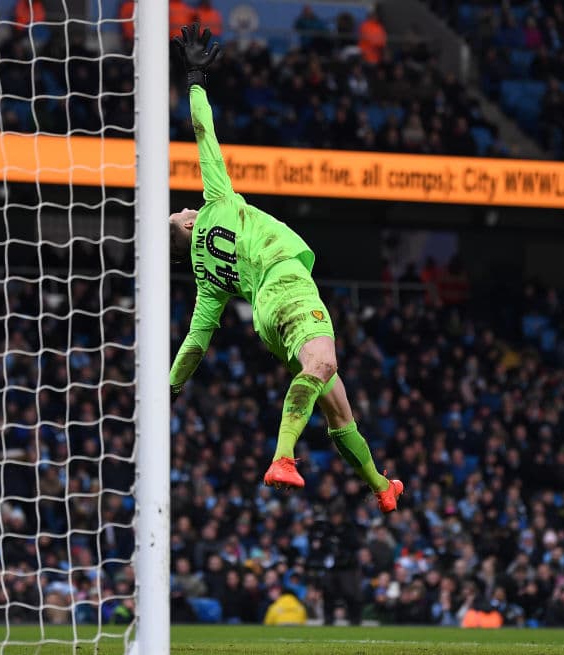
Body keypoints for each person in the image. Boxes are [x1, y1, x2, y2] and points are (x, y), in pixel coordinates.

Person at [168, 23, 403, 513]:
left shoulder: (206, 280)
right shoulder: (217, 200)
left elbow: (196, 342)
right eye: (180, 214)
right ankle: (283, 457)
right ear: (188, 224)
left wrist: (169, 388)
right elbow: (202, 131)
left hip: (265, 318)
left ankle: (381, 485)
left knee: (339, 408)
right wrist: (194, 78)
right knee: (323, 365)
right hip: (287, 283)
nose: (185, 209)